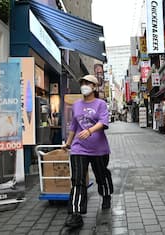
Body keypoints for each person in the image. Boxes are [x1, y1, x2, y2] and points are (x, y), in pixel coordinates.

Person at [63, 75, 114, 228]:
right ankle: (75, 213)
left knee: (101, 174)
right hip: (79, 148)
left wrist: (90, 131)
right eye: (83, 83)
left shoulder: (101, 104)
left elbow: (103, 122)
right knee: (78, 180)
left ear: (94, 87)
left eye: (87, 83)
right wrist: (68, 143)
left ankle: (106, 194)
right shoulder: (76, 105)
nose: (84, 86)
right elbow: (74, 126)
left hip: (99, 148)